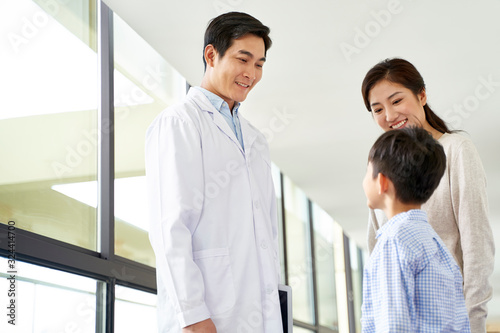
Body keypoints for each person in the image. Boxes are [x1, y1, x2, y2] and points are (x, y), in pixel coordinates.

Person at [145, 12, 283, 333]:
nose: (252, 73)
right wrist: (192, 315)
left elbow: (266, 234)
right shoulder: (180, 122)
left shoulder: (256, 140)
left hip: (258, 315)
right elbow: (170, 227)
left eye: (259, 64)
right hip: (206, 318)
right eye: (243, 59)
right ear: (211, 55)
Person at [361, 58, 495, 332]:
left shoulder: (456, 150)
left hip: (447, 318)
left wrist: (472, 324)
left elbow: (477, 247)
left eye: (396, 101)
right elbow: (375, 253)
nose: (389, 115)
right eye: (377, 109)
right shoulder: (382, 165)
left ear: (421, 95)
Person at [361, 126, 471, 332]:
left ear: (382, 182)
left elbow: (393, 326)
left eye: (368, 172)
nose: (364, 180)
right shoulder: (436, 244)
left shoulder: (392, 242)